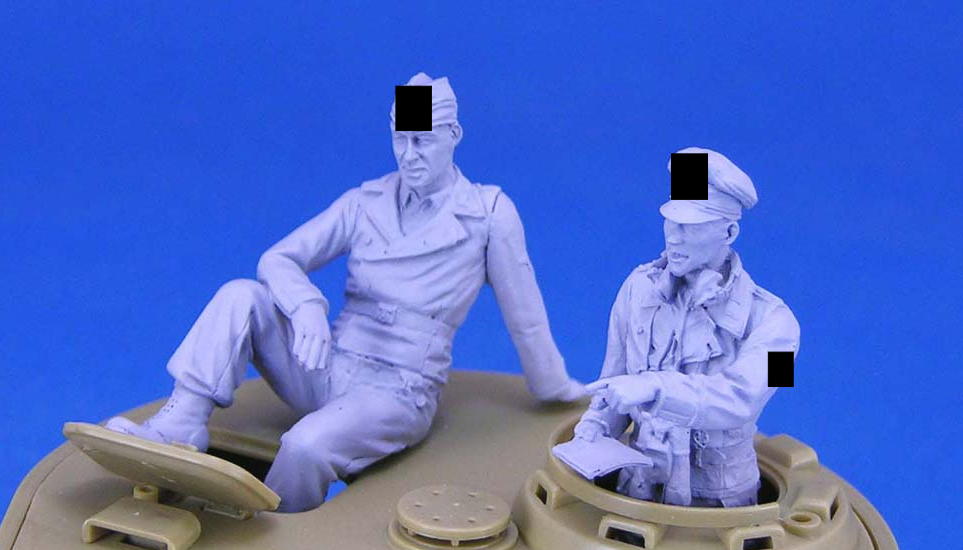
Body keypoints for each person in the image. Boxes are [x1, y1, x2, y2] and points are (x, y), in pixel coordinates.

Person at [107, 72, 584, 512]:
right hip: (328, 366)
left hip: (397, 391)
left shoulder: (487, 214)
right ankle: (181, 423)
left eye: (423, 140)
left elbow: (526, 318)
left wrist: (555, 387)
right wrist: (307, 306)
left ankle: (275, 530)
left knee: (304, 445)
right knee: (241, 295)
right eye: (400, 139)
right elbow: (278, 258)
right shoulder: (365, 202)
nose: (409, 155)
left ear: (454, 136)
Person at [576, 148, 799, 507]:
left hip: (719, 501)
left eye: (691, 226)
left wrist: (655, 386)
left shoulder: (778, 324)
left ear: (729, 231)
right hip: (638, 488)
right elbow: (614, 378)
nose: (675, 237)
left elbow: (743, 400)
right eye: (671, 221)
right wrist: (596, 426)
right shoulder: (637, 290)